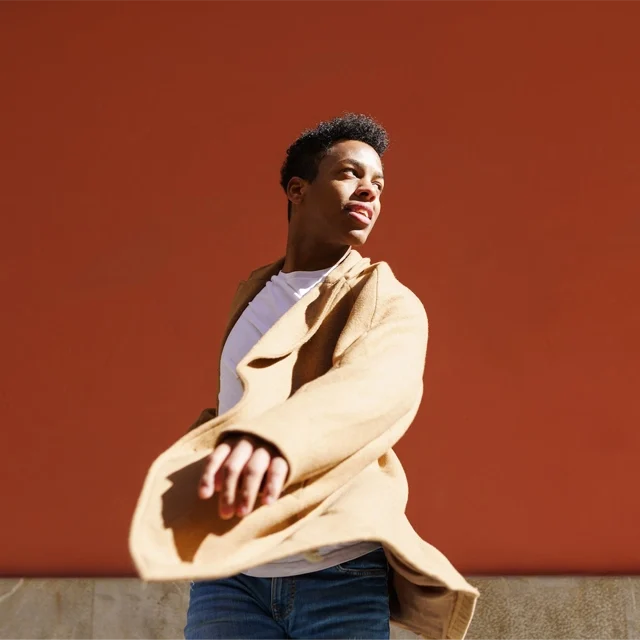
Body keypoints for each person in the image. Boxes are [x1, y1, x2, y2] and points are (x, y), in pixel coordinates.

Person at [129, 113, 478, 640]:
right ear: (298, 189)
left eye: (379, 184)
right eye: (350, 174)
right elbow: (235, 401)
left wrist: (273, 441)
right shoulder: (252, 291)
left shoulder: (388, 300)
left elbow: (375, 389)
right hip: (231, 576)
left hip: (339, 571)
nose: (370, 190)